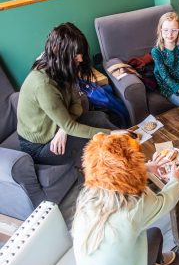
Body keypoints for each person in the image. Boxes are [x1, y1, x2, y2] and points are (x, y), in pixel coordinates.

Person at [72, 132, 179, 265]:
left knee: (133, 235)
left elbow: (116, 176)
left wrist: (145, 168)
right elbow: (167, 201)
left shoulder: (87, 196)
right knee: (154, 233)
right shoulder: (135, 205)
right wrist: (174, 179)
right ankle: (157, 264)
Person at [17, 22, 118, 174]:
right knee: (97, 140)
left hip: (57, 126)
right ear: (60, 52)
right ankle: (114, 171)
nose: (81, 59)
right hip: (41, 146)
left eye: (81, 53)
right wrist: (110, 134)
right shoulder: (43, 84)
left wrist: (63, 129)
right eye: (76, 54)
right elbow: (70, 125)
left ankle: (129, 143)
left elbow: (76, 102)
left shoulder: (61, 66)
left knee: (100, 117)